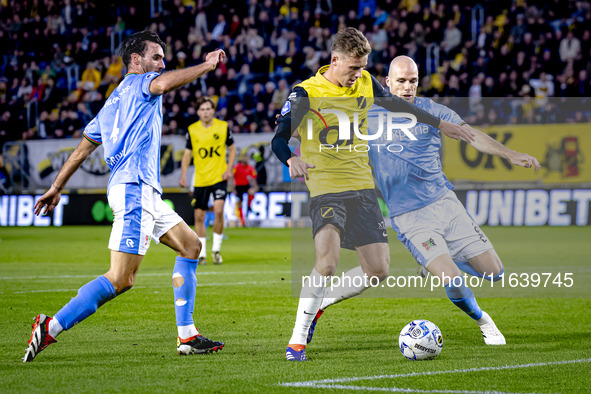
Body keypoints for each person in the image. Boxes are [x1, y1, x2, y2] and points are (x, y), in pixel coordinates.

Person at [271, 27, 475, 362]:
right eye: (353, 67)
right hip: (326, 188)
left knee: (378, 271)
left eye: (362, 66)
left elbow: (395, 104)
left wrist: (440, 124)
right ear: (335, 60)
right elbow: (279, 137)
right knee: (328, 262)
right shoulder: (306, 92)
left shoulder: (365, 81)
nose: (357, 74)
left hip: (362, 188)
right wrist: (291, 158)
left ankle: (319, 302)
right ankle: (297, 341)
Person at [309, 56, 541, 346]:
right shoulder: (367, 113)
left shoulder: (433, 112)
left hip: (446, 204)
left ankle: (439, 261)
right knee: (453, 280)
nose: (407, 87)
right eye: (401, 81)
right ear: (387, 83)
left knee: (495, 273)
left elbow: (472, 136)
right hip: (409, 217)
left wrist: (509, 154)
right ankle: (484, 320)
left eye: (413, 81)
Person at [25, 31, 226, 362]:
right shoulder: (139, 84)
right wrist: (205, 66)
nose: (162, 64)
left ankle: (187, 335)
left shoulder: (111, 104)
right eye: (157, 57)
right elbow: (161, 85)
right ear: (137, 60)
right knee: (121, 278)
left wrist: (56, 187)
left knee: (191, 245)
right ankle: (51, 326)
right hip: (134, 189)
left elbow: (81, 149)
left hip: (140, 190)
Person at [179, 97, 236, 265]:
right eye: (202, 109)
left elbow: (232, 150)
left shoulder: (223, 127)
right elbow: (187, 154)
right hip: (201, 178)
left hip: (219, 176)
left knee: (218, 210)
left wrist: (228, 169)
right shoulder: (192, 129)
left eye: (208, 109)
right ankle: (202, 253)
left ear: (213, 110)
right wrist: (183, 175)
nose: (205, 112)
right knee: (199, 216)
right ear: (198, 112)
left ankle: (216, 251)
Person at [232, 154, 258, 226]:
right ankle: (241, 220)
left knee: (251, 193)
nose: (246, 159)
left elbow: (254, 179)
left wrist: (255, 188)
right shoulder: (236, 167)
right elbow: (232, 177)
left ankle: (249, 207)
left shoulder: (251, 168)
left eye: (247, 157)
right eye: (244, 157)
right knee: (239, 202)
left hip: (246, 185)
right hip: (238, 186)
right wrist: (233, 189)